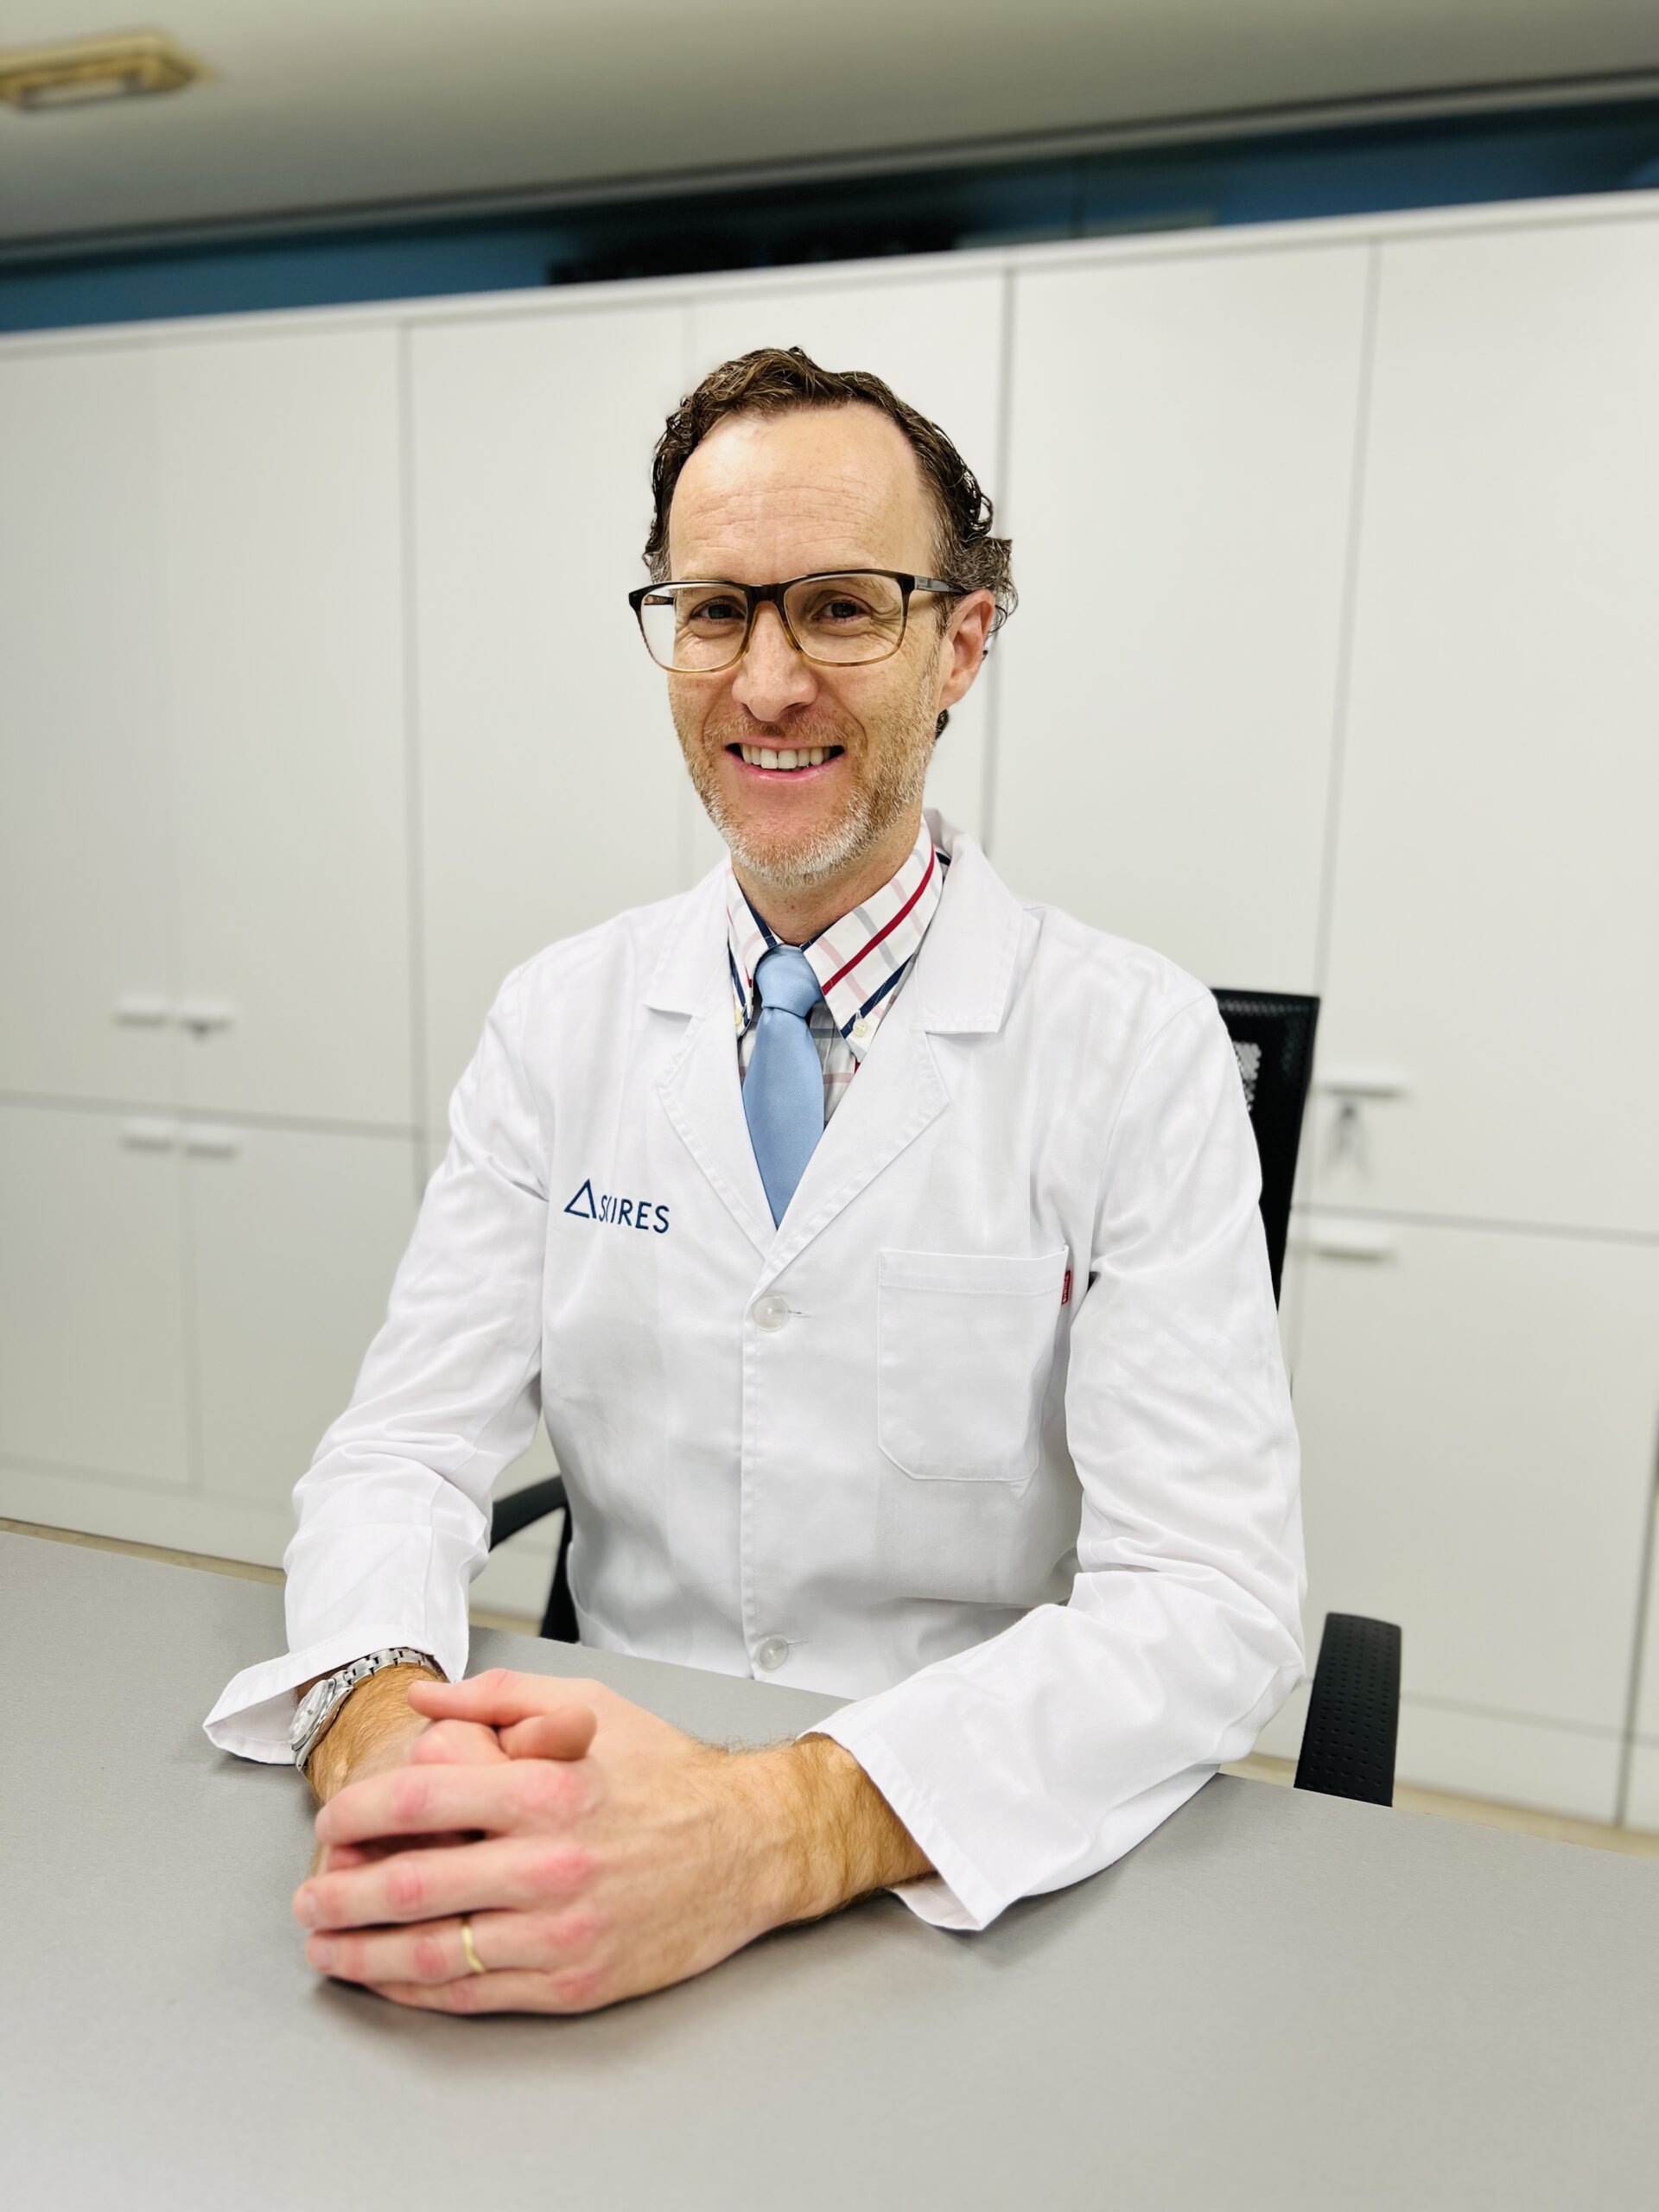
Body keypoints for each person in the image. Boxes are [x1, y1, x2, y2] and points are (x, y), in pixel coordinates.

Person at [204, 345, 1306, 2016]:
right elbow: (403, 1453)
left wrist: (769, 1830)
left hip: (961, 1854)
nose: (767, 682)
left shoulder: (1133, 1045)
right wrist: (378, 1727)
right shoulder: (562, 1018)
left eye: (843, 608)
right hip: (577, 1799)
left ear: (961, 642)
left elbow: (1210, 1604)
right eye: (715, 611)